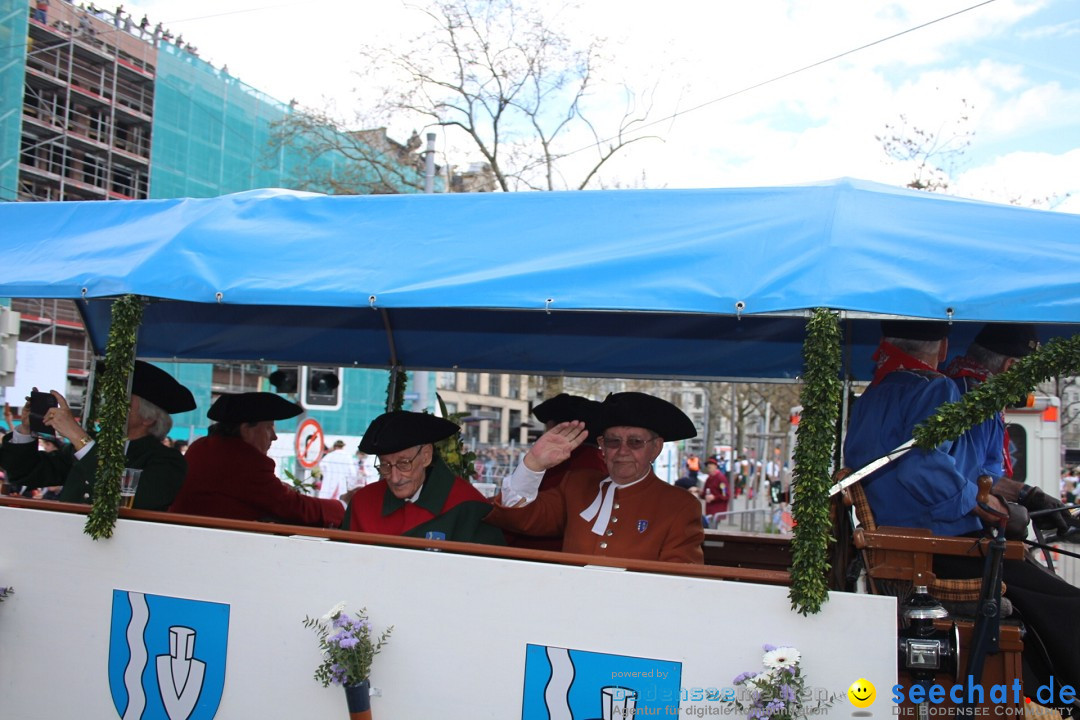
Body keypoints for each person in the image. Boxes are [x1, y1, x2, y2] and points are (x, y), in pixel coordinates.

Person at [843, 320, 1080, 701]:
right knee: (1065, 603)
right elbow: (923, 468)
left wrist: (1023, 495)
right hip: (936, 548)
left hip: (898, 546)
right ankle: (1058, 693)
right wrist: (990, 509)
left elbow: (952, 471)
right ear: (942, 346)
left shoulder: (875, 392)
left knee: (1042, 590)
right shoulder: (936, 388)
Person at [485, 391, 705, 563]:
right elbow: (519, 516)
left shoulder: (680, 505)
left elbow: (680, 582)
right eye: (613, 441)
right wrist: (533, 463)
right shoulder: (577, 484)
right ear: (602, 445)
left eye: (635, 442)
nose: (623, 451)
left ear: (656, 448)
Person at [0, 361, 193, 510]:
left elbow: (142, 499)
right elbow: (26, 474)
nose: (108, 405)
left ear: (148, 418)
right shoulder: (91, 446)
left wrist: (78, 436)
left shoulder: (167, 460)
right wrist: (26, 429)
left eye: (122, 401)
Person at [169, 393, 344, 527]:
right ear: (246, 429)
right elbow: (291, 507)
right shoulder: (242, 459)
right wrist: (343, 506)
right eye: (269, 427)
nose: (274, 437)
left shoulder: (203, 446)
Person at [342, 411, 506, 545]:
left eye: (404, 463)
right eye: (385, 465)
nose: (395, 477)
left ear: (426, 456)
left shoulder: (468, 508)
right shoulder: (363, 502)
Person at [505, 393, 608, 551]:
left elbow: (524, 512)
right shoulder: (600, 461)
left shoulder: (563, 464)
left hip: (542, 553)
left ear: (555, 428)